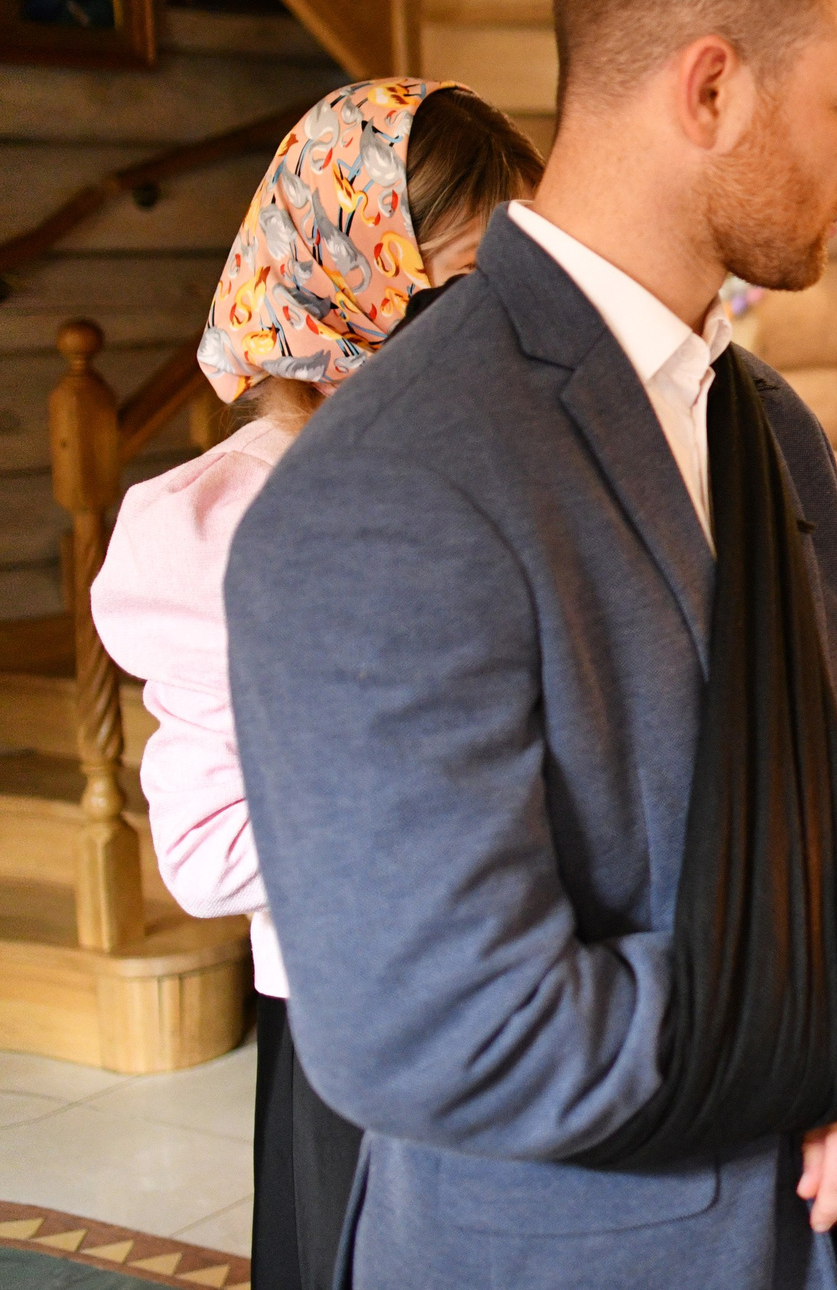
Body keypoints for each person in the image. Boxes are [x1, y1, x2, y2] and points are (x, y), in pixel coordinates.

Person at [224, 0, 837, 1289]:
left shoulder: (761, 419)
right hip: (587, 1245)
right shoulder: (390, 480)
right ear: (710, 89)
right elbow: (439, 1023)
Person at [91, 80, 541, 1290]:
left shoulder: (512, 460)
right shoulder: (223, 524)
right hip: (369, 1024)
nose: (495, 328)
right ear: (347, 273)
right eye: (455, 290)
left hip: (547, 1005)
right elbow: (210, 847)